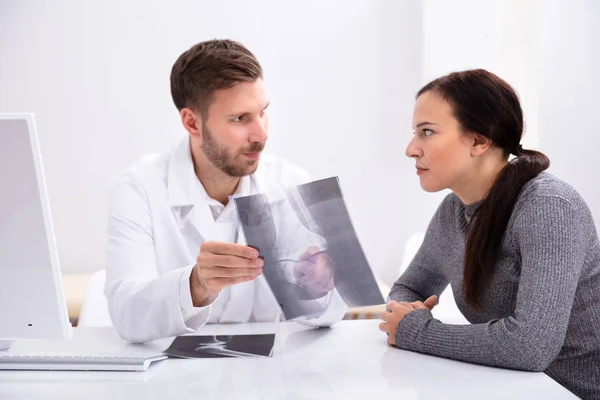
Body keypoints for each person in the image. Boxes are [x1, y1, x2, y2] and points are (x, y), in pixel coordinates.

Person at [105, 39, 347, 343]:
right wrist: (195, 285)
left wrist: (317, 285)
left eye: (262, 112)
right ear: (192, 123)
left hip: (265, 380)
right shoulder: (138, 188)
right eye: (240, 118)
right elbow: (127, 315)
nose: (261, 134)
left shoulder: (288, 181)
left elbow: (330, 314)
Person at [379, 69, 600, 399]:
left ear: (479, 141)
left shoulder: (549, 208)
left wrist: (416, 330)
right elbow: (408, 288)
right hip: (506, 388)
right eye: (415, 133)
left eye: (427, 132)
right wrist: (407, 313)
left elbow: (530, 346)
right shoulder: (453, 211)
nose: (411, 149)